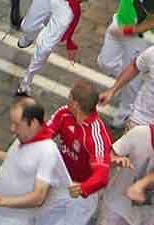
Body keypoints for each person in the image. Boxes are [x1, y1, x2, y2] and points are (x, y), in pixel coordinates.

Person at [0, 97, 70, 225]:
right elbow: (17, 162)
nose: (12, 129)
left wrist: (2, 201)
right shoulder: (23, 137)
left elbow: (38, 197)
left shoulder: (47, 151)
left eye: (17, 124)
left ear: (34, 123)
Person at [100, 106, 154, 225]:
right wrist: (115, 160)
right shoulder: (139, 133)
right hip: (117, 203)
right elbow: (107, 157)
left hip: (149, 212)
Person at [41, 80, 112, 224]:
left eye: (70, 97)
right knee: (42, 219)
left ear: (76, 104)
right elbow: (45, 134)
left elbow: (102, 175)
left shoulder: (96, 135)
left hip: (81, 195)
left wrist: (83, 188)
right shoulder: (64, 113)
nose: (67, 99)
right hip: (60, 180)